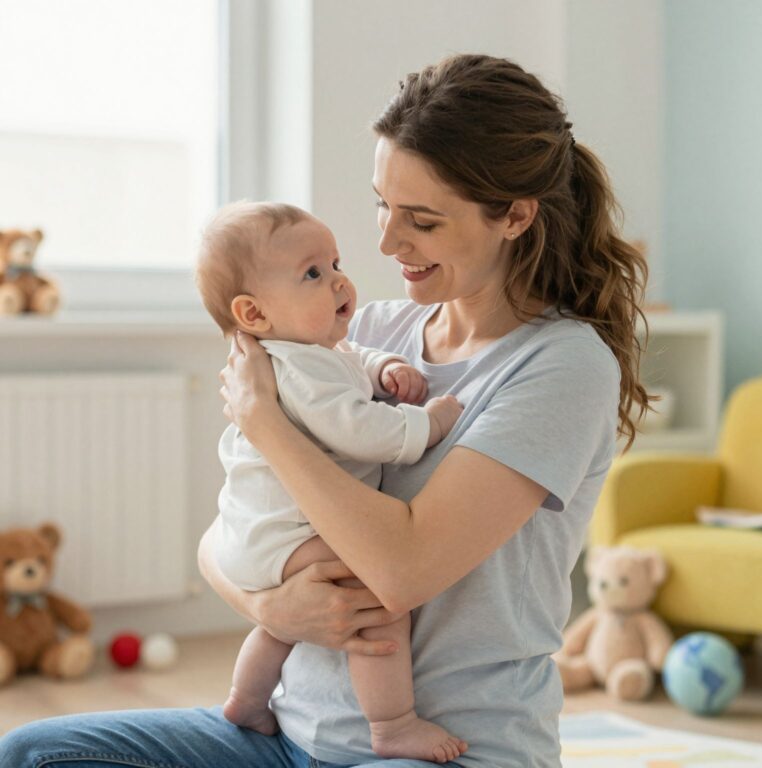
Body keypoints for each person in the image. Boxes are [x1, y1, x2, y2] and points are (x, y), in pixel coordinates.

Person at [0, 53, 650, 768]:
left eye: (421, 221)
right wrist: (269, 609)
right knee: (35, 755)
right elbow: (222, 542)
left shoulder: (561, 365)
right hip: (284, 737)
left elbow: (402, 569)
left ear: (516, 216)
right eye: (382, 204)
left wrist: (266, 425)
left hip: (446, 753)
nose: (385, 242)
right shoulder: (361, 334)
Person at [194, 201, 467, 764]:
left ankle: (246, 698)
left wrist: (384, 367)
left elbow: (349, 359)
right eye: (312, 273)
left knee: (289, 623)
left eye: (335, 262)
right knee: (376, 600)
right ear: (254, 312)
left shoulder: (301, 353)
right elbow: (358, 428)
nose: (339, 279)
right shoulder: (300, 367)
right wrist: (428, 422)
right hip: (288, 533)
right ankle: (391, 723)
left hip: (259, 538)